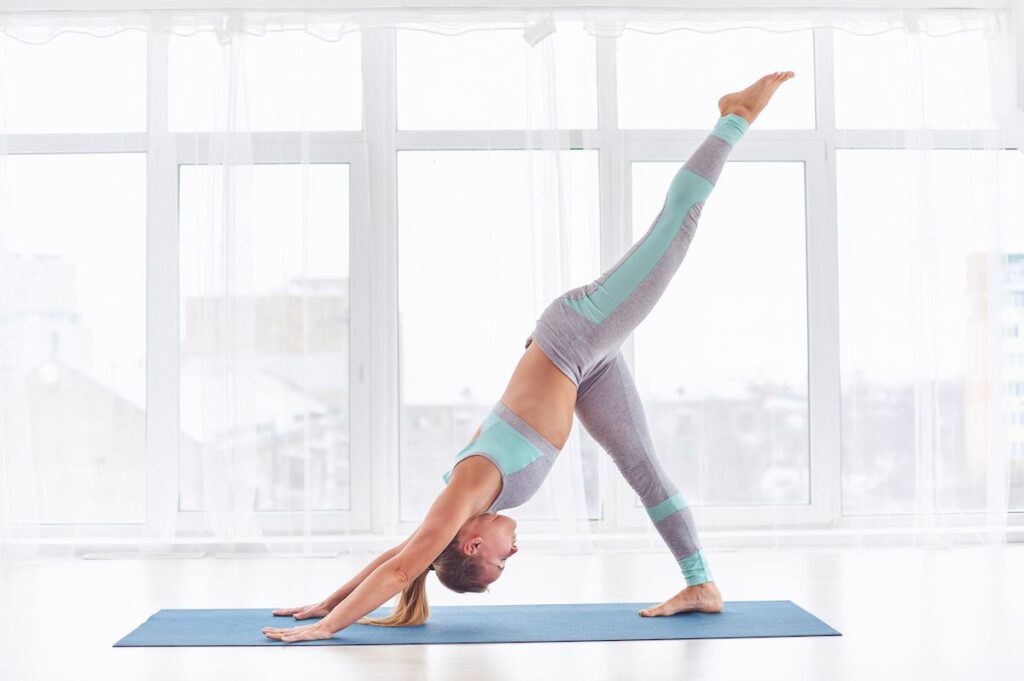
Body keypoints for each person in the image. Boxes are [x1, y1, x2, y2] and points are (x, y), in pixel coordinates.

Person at [263, 71, 796, 643]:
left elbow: (400, 569)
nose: (512, 551)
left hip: (576, 333)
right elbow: (402, 557)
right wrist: (326, 603)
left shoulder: (467, 490)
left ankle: (734, 117)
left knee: (676, 227)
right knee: (644, 471)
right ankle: (701, 585)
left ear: (473, 545)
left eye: (500, 560)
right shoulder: (455, 522)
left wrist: (326, 631)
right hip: (587, 370)